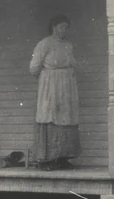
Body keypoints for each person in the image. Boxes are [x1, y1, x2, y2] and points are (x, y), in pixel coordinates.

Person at [29, 14, 81, 170]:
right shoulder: (44, 44)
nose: (63, 31)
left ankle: (62, 158)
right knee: (50, 116)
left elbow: (74, 63)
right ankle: (46, 160)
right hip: (50, 86)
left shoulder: (68, 45)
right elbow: (34, 68)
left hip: (66, 87)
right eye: (60, 27)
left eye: (65, 28)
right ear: (53, 27)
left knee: (66, 117)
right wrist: (48, 78)